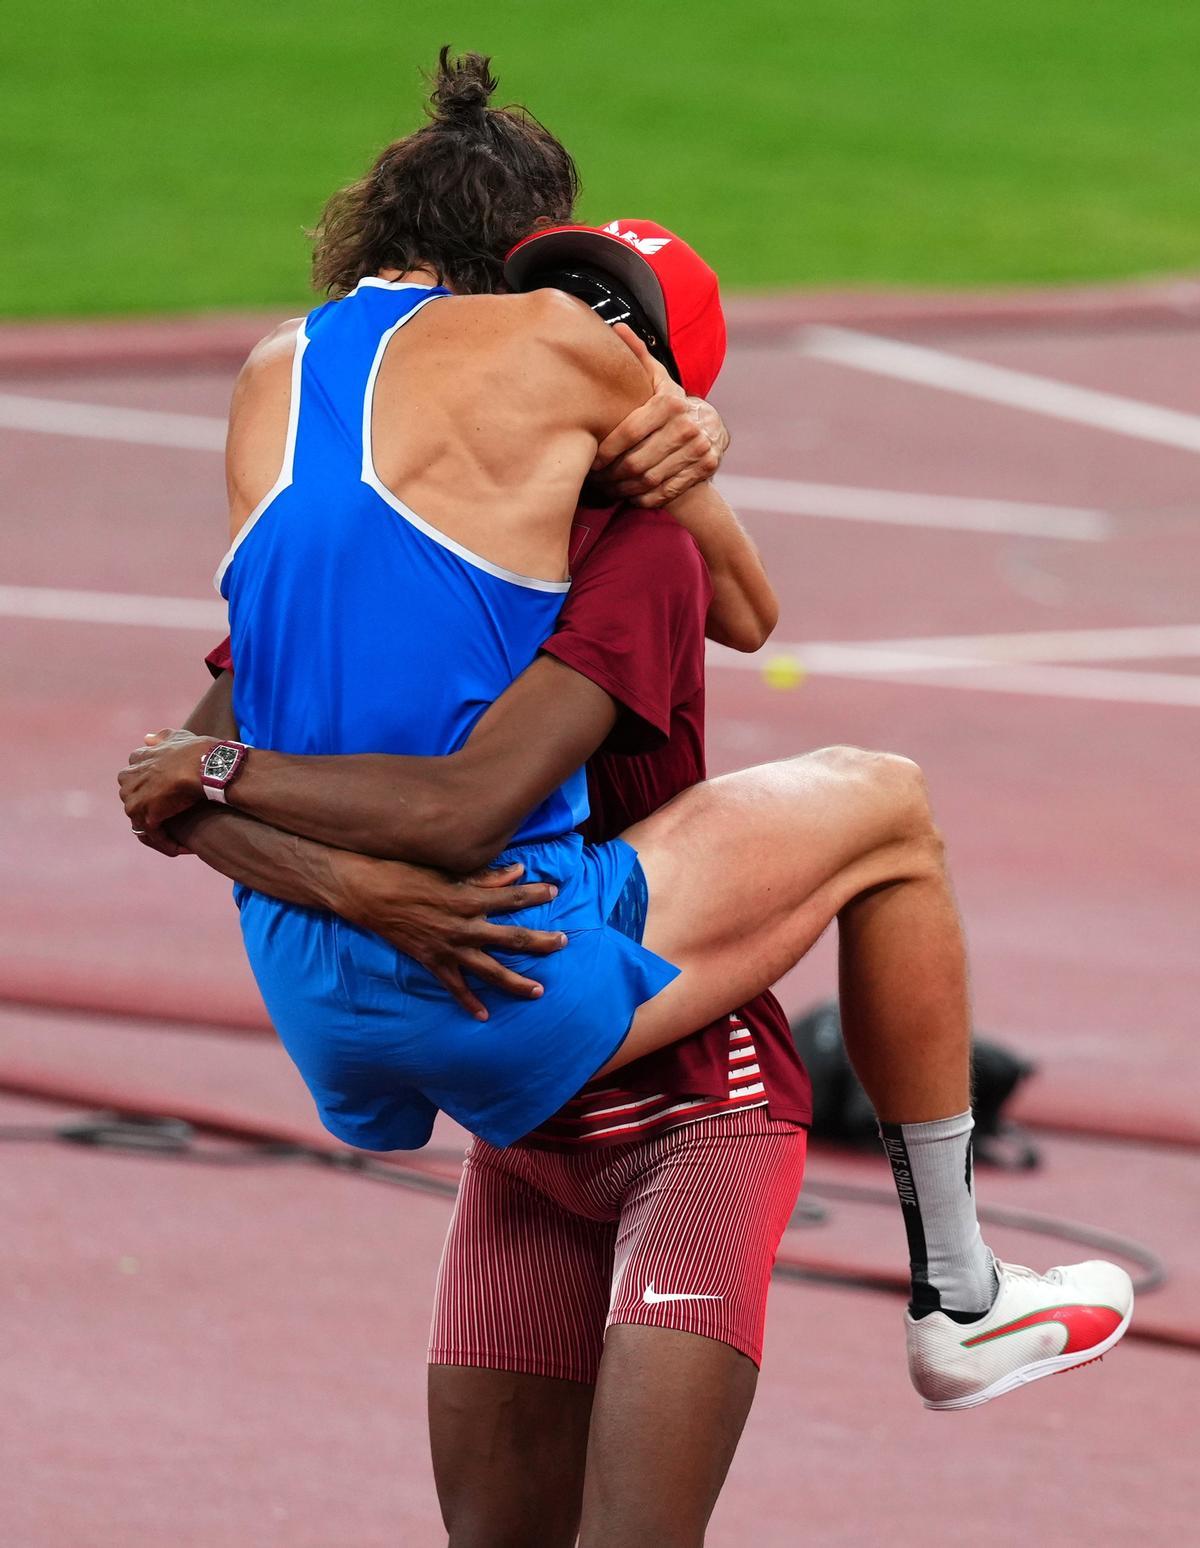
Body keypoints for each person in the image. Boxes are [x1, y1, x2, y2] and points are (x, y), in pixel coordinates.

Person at [120, 48, 1133, 1537]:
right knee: (887, 810)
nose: (579, 332)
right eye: (570, 301)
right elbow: (361, 775)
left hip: (580, 1091)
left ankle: (965, 1291)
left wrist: (249, 803)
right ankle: (961, 1287)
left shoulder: (549, 522)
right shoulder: (547, 520)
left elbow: (206, 773)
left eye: (616, 327)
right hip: (563, 1068)